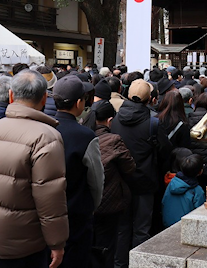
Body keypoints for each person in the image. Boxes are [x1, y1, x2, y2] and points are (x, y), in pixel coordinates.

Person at [0, 69, 68, 268]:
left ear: (11, 95)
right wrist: (57, 242)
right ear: (44, 98)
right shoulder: (46, 137)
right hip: (24, 244)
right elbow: (50, 197)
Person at [53, 75, 104, 268]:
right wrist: (92, 206)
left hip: (46, 213)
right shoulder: (85, 135)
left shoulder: (45, 128)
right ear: (79, 103)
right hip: (76, 213)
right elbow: (96, 181)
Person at [110, 79, 159, 268]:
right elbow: (164, 150)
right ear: (150, 99)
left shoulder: (115, 119)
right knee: (142, 229)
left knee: (122, 228)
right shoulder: (152, 122)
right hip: (145, 181)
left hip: (121, 180)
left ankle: (119, 264)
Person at [92, 100, 136, 268]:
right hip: (109, 201)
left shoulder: (83, 133)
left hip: (85, 202)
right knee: (108, 245)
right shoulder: (113, 140)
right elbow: (130, 167)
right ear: (110, 121)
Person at [162, 154, 206, 227]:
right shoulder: (197, 190)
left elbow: (164, 202)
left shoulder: (172, 182)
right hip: (186, 226)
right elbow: (200, 213)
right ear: (200, 172)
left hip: (168, 223)